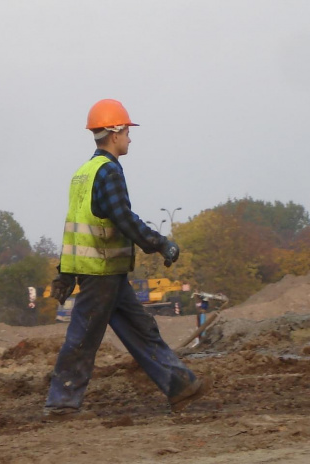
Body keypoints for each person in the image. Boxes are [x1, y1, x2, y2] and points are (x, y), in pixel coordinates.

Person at [44, 99, 210, 421]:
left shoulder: (83, 173)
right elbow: (124, 218)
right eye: (128, 132)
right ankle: (61, 404)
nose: (131, 139)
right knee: (82, 338)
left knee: (143, 330)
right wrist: (160, 244)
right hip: (100, 272)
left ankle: (180, 385)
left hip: (108, 273)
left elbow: (72, 229)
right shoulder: (109, 172)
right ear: (115, 132)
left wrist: (64, 273)